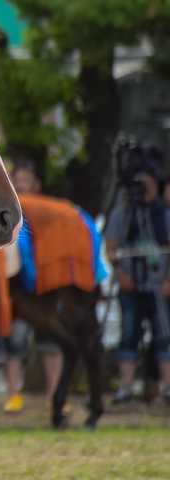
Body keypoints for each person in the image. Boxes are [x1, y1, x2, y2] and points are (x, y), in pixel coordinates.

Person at [105, 163, 170, 404]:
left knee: (165, 336)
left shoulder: (164, 215)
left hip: (159, 286)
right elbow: (111, 247)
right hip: (131, 285)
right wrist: (121, 275)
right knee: (128, 335)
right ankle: (126, 387)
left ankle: (166, 387)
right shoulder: (122, 214)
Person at [1, 162, 64, 413]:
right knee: (14, 343)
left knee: (52, 342)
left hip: (45, 287)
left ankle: (55, 395)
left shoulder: (47, 213)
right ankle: (13, 395)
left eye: (25, 179)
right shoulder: (6, 212)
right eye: (17, 179)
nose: (20, 184)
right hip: (18, 291)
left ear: (36, 184)